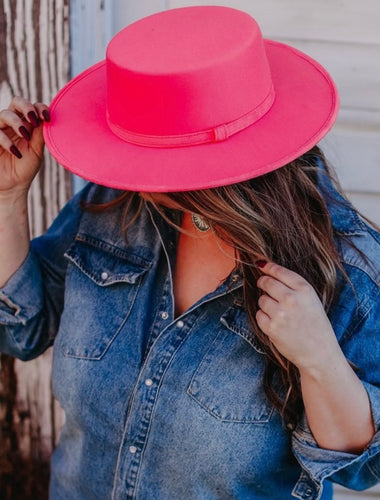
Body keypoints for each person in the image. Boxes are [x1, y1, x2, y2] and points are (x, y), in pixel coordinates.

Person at [0, 5, 379, 500]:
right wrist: (8, 200)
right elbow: (21, 329)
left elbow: (359, 469)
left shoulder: (345, 269)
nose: (123, 172)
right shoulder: (111, 206)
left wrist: (320, 361)